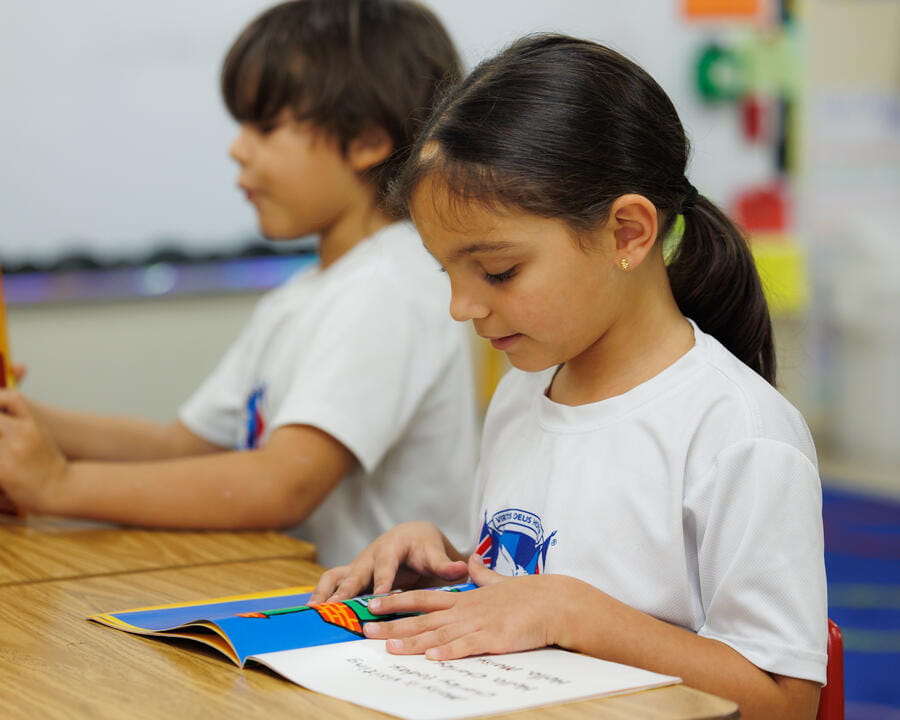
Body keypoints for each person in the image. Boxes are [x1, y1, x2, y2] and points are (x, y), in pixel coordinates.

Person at [311, 34, 827, 720]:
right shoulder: (524, 390)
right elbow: (532, 581)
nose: (462, 307)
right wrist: (451, 567)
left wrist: (576, 615)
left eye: (497, 271)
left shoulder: (738, 432)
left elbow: (785, 702)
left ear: (626, 234)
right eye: (449, 272)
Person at [0, 0, 479, 567]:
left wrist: (59, 485)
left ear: (366, 141)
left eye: (266, 126)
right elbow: (177, 447)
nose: (237, 148)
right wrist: (19, 417)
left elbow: (280, 484)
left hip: (377, 636)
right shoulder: (304, 294)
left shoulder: (389, 287)